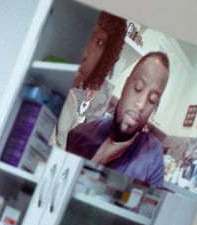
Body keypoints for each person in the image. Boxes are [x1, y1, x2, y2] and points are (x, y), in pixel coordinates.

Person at [63, 47, 172, 188]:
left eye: (152, 100)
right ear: (125, 86)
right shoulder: (80, 135)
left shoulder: (152, 158)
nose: (141, 104)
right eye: (138, 88)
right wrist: (100, 159)